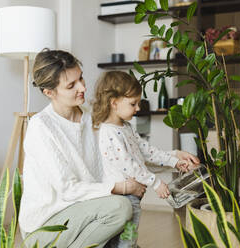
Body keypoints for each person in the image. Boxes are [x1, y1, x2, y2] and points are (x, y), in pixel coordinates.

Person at [18, 49, 148, 248]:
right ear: (49, 92)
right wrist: (121, 187)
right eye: (71, 85)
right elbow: (69, 189)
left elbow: (124, 152)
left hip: (86, 212)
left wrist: (174, 158)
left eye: (81, 78)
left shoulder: (92, 119)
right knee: (120, 207)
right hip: (45, 225)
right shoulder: (41, 127)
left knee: (127, 218)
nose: (82, 87)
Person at [92, 71, 200, 248]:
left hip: (133, 196)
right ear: (114, 103)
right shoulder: (109, 132)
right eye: (133, 104)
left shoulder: (126, 127)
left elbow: (147, 151)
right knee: (128, 237)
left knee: (127, 236)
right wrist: (156, 182)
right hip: (124, 197)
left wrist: (174, 160)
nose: (138, 108)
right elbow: (130, 166)